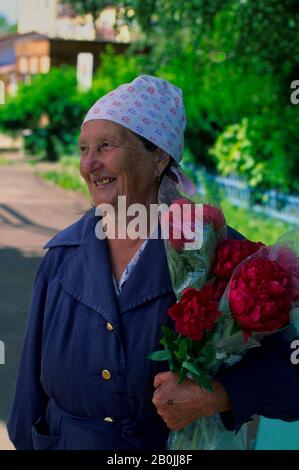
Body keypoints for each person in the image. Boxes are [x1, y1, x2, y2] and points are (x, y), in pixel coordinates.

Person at [7, 75, 299, 450]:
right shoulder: (61, 259)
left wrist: (220, 394)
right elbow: (27, 401)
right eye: (83, 149)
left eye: (106, 146)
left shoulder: (221, 255)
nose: (88, 164)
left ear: (159, 156)